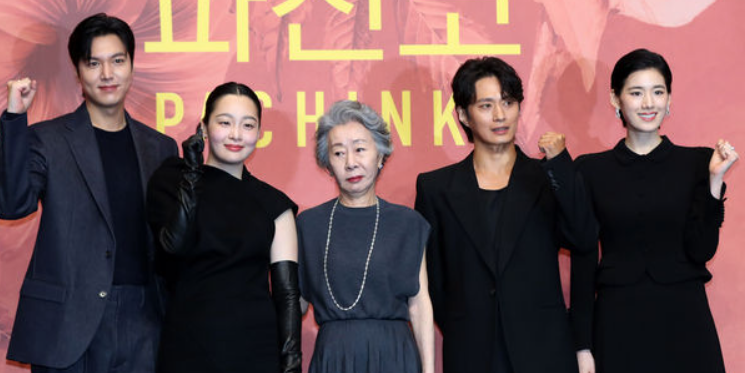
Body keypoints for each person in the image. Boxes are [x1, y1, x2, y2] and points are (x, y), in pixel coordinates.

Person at [0, 13, 178, 373]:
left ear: (131, 65)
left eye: (117, 61)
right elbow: (12, 205)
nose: (107, 74)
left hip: (145, 321)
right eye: (94, 63)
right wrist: (14, 119)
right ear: (78, 72)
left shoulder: (161, 148)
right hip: (69, 323)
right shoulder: (48, 140)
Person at [414, 57, 598, 373]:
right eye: (486, 106)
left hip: (544, 350)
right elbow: (434, 281)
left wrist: (560, 166)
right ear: (463, 115)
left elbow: (583, 238)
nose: (500, 115)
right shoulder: (436, 188)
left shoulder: (547, 178)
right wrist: (466, 321)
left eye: (508, 102)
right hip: (471, 351)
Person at [570, 49, 739, 373]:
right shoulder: (590, 171)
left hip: (686, 323)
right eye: (636, 93)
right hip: (618, 323)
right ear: (615, 99)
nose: (648, 103)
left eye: (658, 92)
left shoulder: (698, 163)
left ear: (669, 99)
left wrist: (715, 181)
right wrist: (583, 346)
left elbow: (702, 250)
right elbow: (584, 262)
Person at [146, 82, 301, 373]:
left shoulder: (274, 204)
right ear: (204, 127)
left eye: (248, 125)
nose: (236, 134)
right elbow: (174, 245)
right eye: (225, 122)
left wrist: (291, 365)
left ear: (259, 133)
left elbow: (287, 294)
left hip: (255, 351)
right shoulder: (172, 179)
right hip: (188, 344)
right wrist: (192, 174)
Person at [297, 100, 435, 373]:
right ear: (327, 164)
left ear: (380, 155)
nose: (351, 163)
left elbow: (419, 305)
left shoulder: (408, 223)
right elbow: (294, 306)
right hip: (334, 356)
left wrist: (429, 370)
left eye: (360, 149)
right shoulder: (308, 225)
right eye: (338, 153)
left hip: (394, 355)